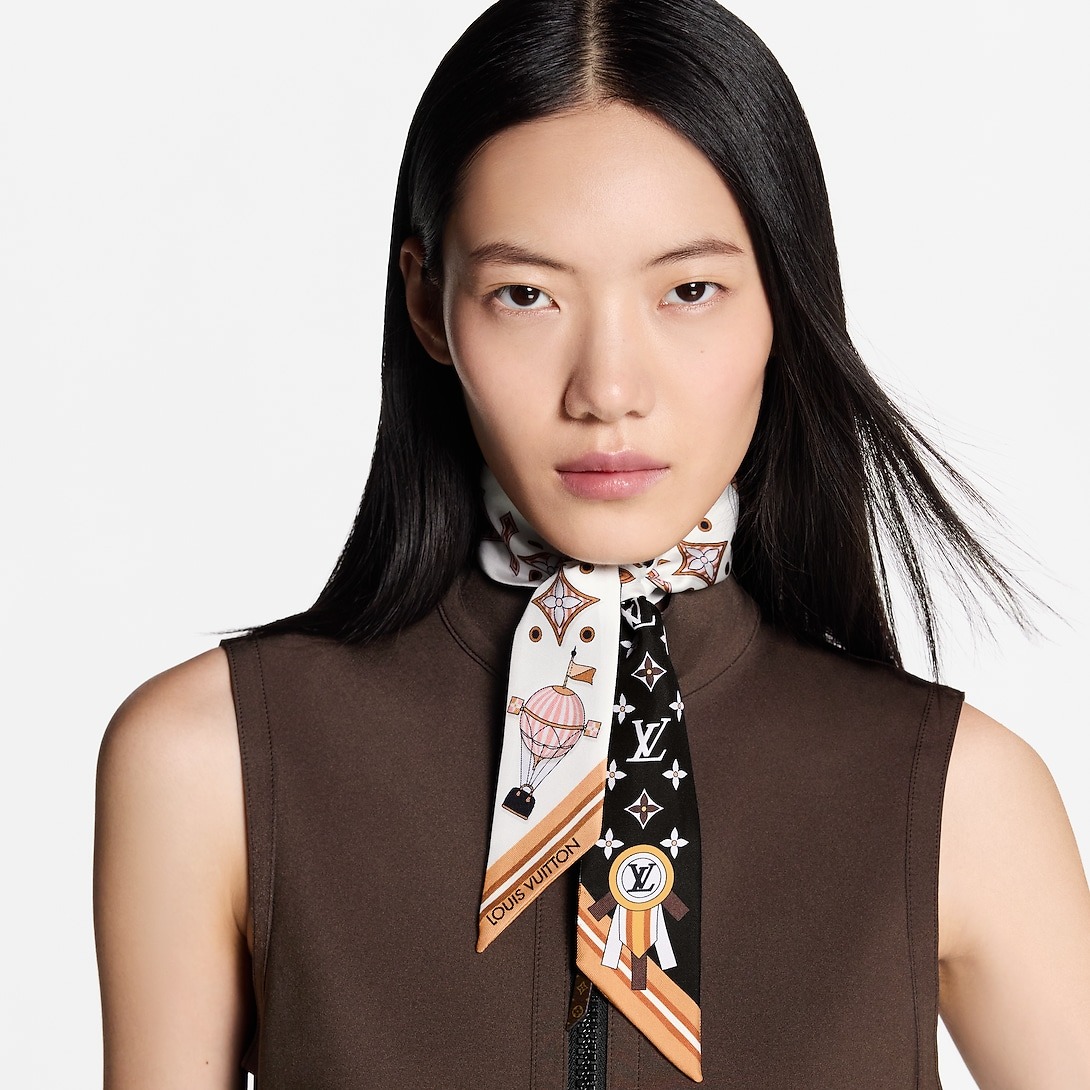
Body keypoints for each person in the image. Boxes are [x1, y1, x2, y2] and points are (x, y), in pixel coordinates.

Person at [92, 1, 1090, 1087]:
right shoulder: (212, 762)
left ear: (784, 299)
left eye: (690, 291)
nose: (607, 389)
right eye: (526, 294)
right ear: (429, 304)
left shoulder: (956, 795)